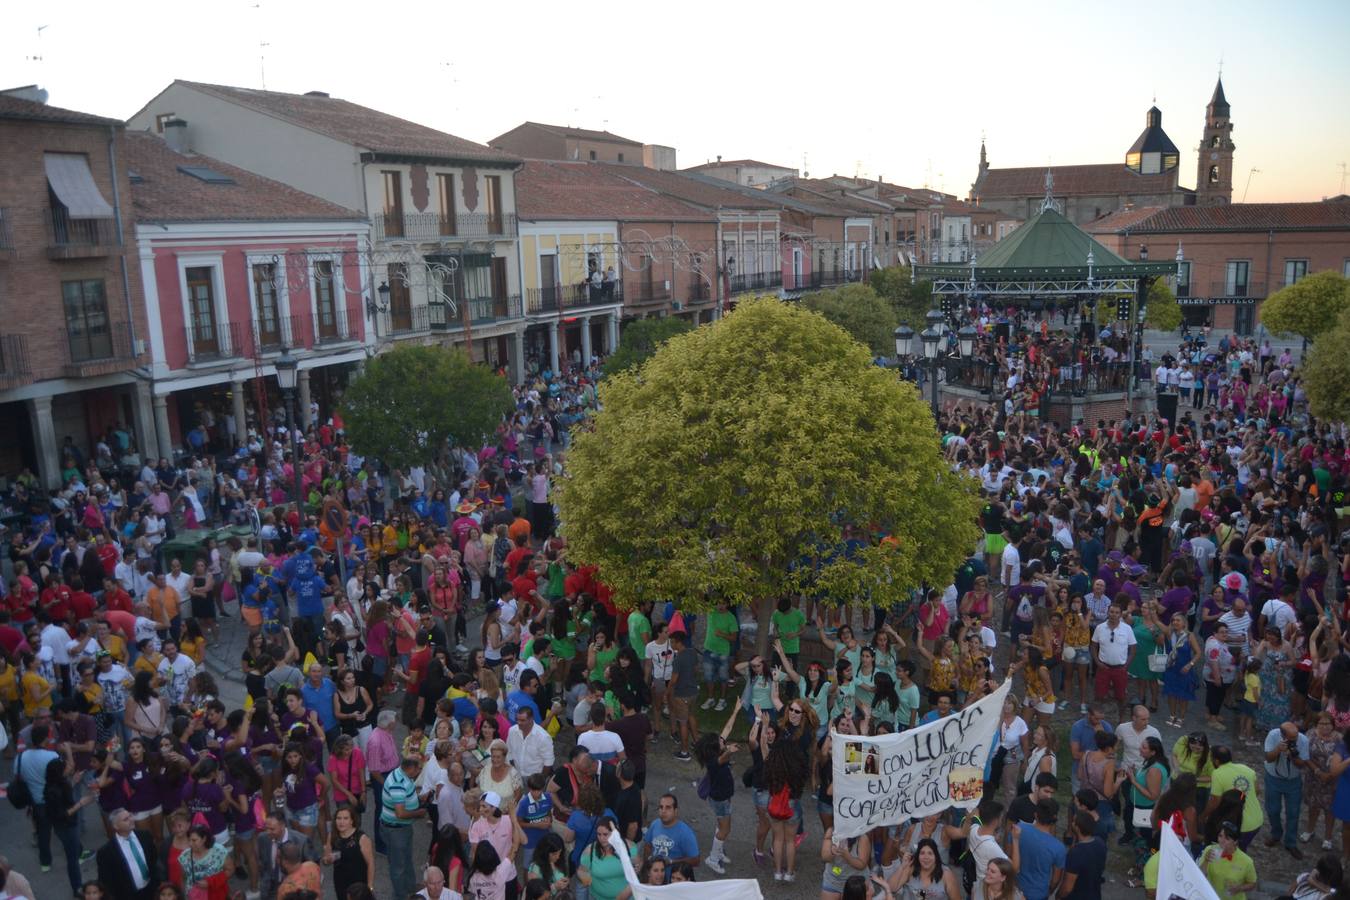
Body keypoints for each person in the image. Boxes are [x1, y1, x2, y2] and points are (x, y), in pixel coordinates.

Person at [380, 756, 427, 900]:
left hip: (402, 828)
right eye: (419, 768)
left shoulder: (402, 774)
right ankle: (401, 895)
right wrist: (418, 812)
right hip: (396, 830)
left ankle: (411, 887)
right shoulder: (398, 783)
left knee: (406, 859)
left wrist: (417, 799)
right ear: (411, 768)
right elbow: (400, 813)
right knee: (398, 866)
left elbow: (404, 799)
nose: (420, 771)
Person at [1264, 721, 1309, 860]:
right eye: (1291, 738)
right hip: (1273, 778)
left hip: (1293, 781)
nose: (1295, 740)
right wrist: (1278, 749)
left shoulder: (1303, 739)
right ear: (1282, 734)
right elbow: (1268, 758)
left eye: (1296, 736)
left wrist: (1292, 755)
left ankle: (1290, 843)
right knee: (1273, 809)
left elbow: (1302, 764)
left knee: (1293, 813)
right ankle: (1276, 834)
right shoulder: (1273, 735)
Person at [1205, 746, 1264, 850]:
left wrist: (1203, 816)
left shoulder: (1217, 774)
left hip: (1239, 824)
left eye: (1211, 758)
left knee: (1233, 851)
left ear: (1216, 761)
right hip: (1257, 820)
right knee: (1241, 848)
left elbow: (1215, 802)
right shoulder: (1245, 768)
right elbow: (1257, 791)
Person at [96, 809, 158, 900]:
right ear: (116, 826)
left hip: (151, 889)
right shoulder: (106, 852)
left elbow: (154, 860)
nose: (131, 820)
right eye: (126, 819)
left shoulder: (145, 836)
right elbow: (106, 881)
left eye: (130, 816)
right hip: (127, 895)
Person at [1091, 601, 1136, 723]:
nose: (1113, 614)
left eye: (1117, 612)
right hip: (1103, 667)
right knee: (1099, 695)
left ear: (1121, 614)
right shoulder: (1100, 628)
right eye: (1111, 612)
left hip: (1120, 668)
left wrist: (1126, 665)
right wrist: (1097, 662)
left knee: (1121, 696)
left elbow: (1133, 649)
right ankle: (1097, 718)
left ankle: (1121, 719)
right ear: (1108, 612)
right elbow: (1094, 646)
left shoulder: (1127, 629)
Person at [576, 815, 639, 900]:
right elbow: (581, 870)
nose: (602, 838)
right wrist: (585, 878)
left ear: (615, 832)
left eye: (605, 834)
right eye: (599, 834)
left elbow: (639, 864)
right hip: (597, 897)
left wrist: (637, 869)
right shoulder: (590, 851)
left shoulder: (629, 848)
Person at [1017, 799, 1066, 900]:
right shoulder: (1059, 848)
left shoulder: (1018, 828)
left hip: (1015, 888)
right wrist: (1049, 892)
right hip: (1038, 894)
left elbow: (1008, 854)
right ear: (1055, 818)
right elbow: (1055, 880)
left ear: (1035, 815)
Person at [323, 804, 374, 900]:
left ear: (352, 821)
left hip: (358, 882)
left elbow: (370, 863)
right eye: (339, 818)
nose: (341, 822)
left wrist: (370, 886)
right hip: (340, 880)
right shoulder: (332, 835)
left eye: (345, 818)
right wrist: (328, 860)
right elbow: (325, 859)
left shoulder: (361, 838)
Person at [884, 836, 960, 900]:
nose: (926, 857)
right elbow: (891, 888)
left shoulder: (946, 874)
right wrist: (902, 866)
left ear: (936, 857)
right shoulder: (910, 868)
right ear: (918, 856)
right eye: (922, 853)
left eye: (930, 853)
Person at [1199, 821, 1258, 900]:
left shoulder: (1246, 861)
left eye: (1227, 838)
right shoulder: (1210, 850)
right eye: (1220, 836)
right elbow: (1200, 876)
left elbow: (1252, 884)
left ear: (1235, 841)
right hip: (1210, 897)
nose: (1221, 840)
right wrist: (1206, 860)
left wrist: (1239, 888)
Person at [642, 793, 698, 871]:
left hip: (672, 880)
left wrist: (672, 862)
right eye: (661, 807)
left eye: (668, 807)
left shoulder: (685, 833)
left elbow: (696, 860)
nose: (663, 811)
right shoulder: (655, 824)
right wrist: (647, 866)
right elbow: (648, 845)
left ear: (676, 811)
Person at [1058, 811, 1106, 900]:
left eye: (1073, 822)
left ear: (1077, 828)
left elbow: (1067, 888)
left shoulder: (1075, 853)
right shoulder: (1100, 842)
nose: (1071, 823)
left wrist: (1059, 896)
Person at [821, 826, 873, 900]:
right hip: (833, 880)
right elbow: (825, 857)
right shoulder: (831, 831)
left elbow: (862, 865)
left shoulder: (862, 837)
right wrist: (831, 853)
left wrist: (847, 856)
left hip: (856, 884)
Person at [179, 825, 234, 896]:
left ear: (204, 839)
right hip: (195, 896)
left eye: (194, 840)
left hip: (216, 894)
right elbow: (183, 878)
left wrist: (210, 882)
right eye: (189, 840)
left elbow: (230, 870)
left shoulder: (219, 851)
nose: (190, 844)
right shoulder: (184, 856)